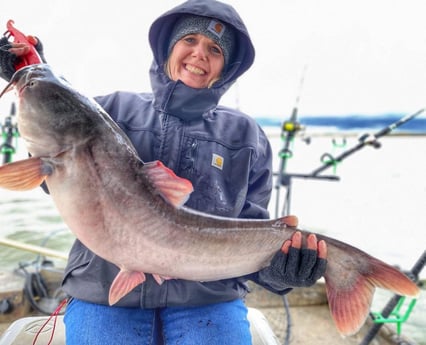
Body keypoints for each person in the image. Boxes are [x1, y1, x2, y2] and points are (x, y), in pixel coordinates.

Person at [0, 1, 327, 344]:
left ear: (226, 66)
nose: (199, 54)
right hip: (103, 286)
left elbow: (252, 233)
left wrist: (280, 271)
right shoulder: (112, 109)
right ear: (169, 46)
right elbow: (59, 150)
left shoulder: (246, 137)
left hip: (208, 298)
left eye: (214, 49)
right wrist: (29, 71)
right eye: (190, 41)